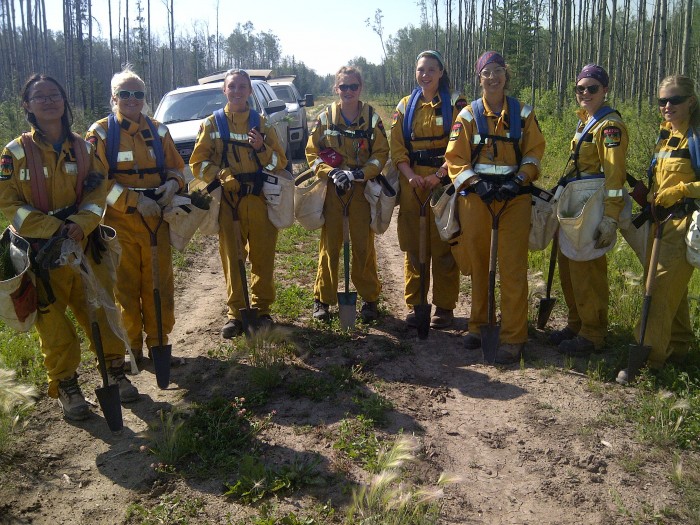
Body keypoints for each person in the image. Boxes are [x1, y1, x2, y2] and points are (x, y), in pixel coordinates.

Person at [0, 74, 138, 420]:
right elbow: (8, 202)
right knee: (53, 324)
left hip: (85, 247)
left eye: (54, 95)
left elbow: (97, 190)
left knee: (102, 310)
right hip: (41, 257)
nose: (48, 101)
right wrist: (54, 228)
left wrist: (80, 224)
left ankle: (115, 372)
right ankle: (67, 386)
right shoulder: (14, 153)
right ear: (27, 107)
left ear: (64, 102)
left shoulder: (84, 148)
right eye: (39, 97)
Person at [444, 51, 545, 364]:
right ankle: (478, 325)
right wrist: (476, 184)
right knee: (478, 264)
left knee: (512, 268)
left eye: (498, 71)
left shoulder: (523, 113)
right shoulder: (468, 116)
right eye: (487, 72)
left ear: (506, 75)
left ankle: (514, 336)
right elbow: (455, 160)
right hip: (478, 199)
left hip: (514, 200)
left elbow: (533, 153)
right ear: (480, 78)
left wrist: (521, 180)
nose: (493, 77)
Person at [86, 67, 186, 365]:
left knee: (159, 286)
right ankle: (133, 350)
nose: (132, 99)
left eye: (138, 94)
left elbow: (178, 169)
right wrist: (134, 201)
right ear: (113, 97)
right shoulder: (100, 134)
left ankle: (159, 345)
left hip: (157, 223)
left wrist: (172, 184)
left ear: (145, 98)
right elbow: (97, 182)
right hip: (120, 227)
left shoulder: (159, 130)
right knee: (126, 291)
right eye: (125, 94)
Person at [190, 68, 287, 338]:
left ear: (250, 91)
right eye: (232, 86)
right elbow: (197, 163)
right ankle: (237, 313)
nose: (237, 91)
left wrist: (261, 149)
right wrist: (220, 174)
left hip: (258, 201)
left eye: (243, 86)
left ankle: (262, 310)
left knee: (262, 256)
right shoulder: (212, 124)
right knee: (233, 259)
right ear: (224, 90)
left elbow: (280, 163)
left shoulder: (262, 124)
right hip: (229, 204)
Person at [617, 75, 700, 384]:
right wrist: (648, 191)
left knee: (659, 289)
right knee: (670, 291)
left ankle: (648, 359)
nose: (667, 106)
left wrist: (681, 190)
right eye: (662, 101)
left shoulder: (697, 136)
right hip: (659, 223)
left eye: (674, 100)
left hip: (683, 224)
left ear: (690, 101)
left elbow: (687, 185)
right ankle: (678, 347)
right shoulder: (665, 136)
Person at [550, 64, 627, 356]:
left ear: (604, 90)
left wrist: (610, 217)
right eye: (580, 88)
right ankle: (576, 323)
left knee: (587, 269)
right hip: (576, 202)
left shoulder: (609, 127)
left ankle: (593, 333)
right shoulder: (587, 121)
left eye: (592, 88)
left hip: (593, 206)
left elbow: (615, 176)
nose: (585, 93)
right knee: (569, 265)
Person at [306, 66, 390, 324]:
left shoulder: (371, 118)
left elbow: (381, 154)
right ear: (336, 88)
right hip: (333, 192)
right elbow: (312, 153)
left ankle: (369, 299)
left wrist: (357, 175)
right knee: (330, 246)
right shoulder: (325, 118)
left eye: (353, 86)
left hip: (361, 192)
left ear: (360, 88)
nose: (348, 91)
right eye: (344, 87)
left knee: (363, 246)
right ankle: (322, 300)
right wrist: (329, 173)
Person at [390, 50, 467, 330]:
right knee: (414, 247)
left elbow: (460, 146)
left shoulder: (456, 105)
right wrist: (410, 175)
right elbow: (397, 147)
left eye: (431, 69)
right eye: (421, 69)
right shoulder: (404, 106)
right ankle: (416, 303)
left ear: (441, 72)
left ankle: (445, 308)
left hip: (443, 183)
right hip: (413, 184)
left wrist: (439, 175)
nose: (426, 74)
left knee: (444, 246)